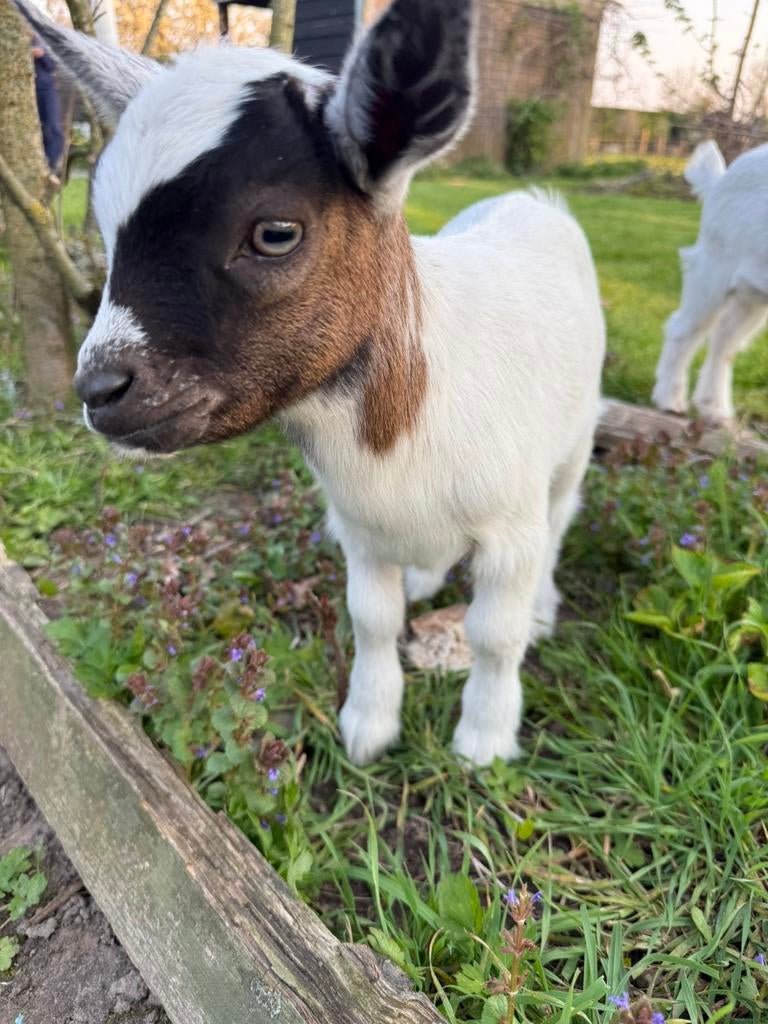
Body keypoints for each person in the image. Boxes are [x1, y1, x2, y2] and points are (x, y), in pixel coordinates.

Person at [30, 35, 64, 186]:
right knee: (35, 130)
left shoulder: (41, 40)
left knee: (53, 129)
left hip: (45, 89)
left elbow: (52, 66)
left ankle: (50, 168)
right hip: (26, 91)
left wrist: (41, 55)